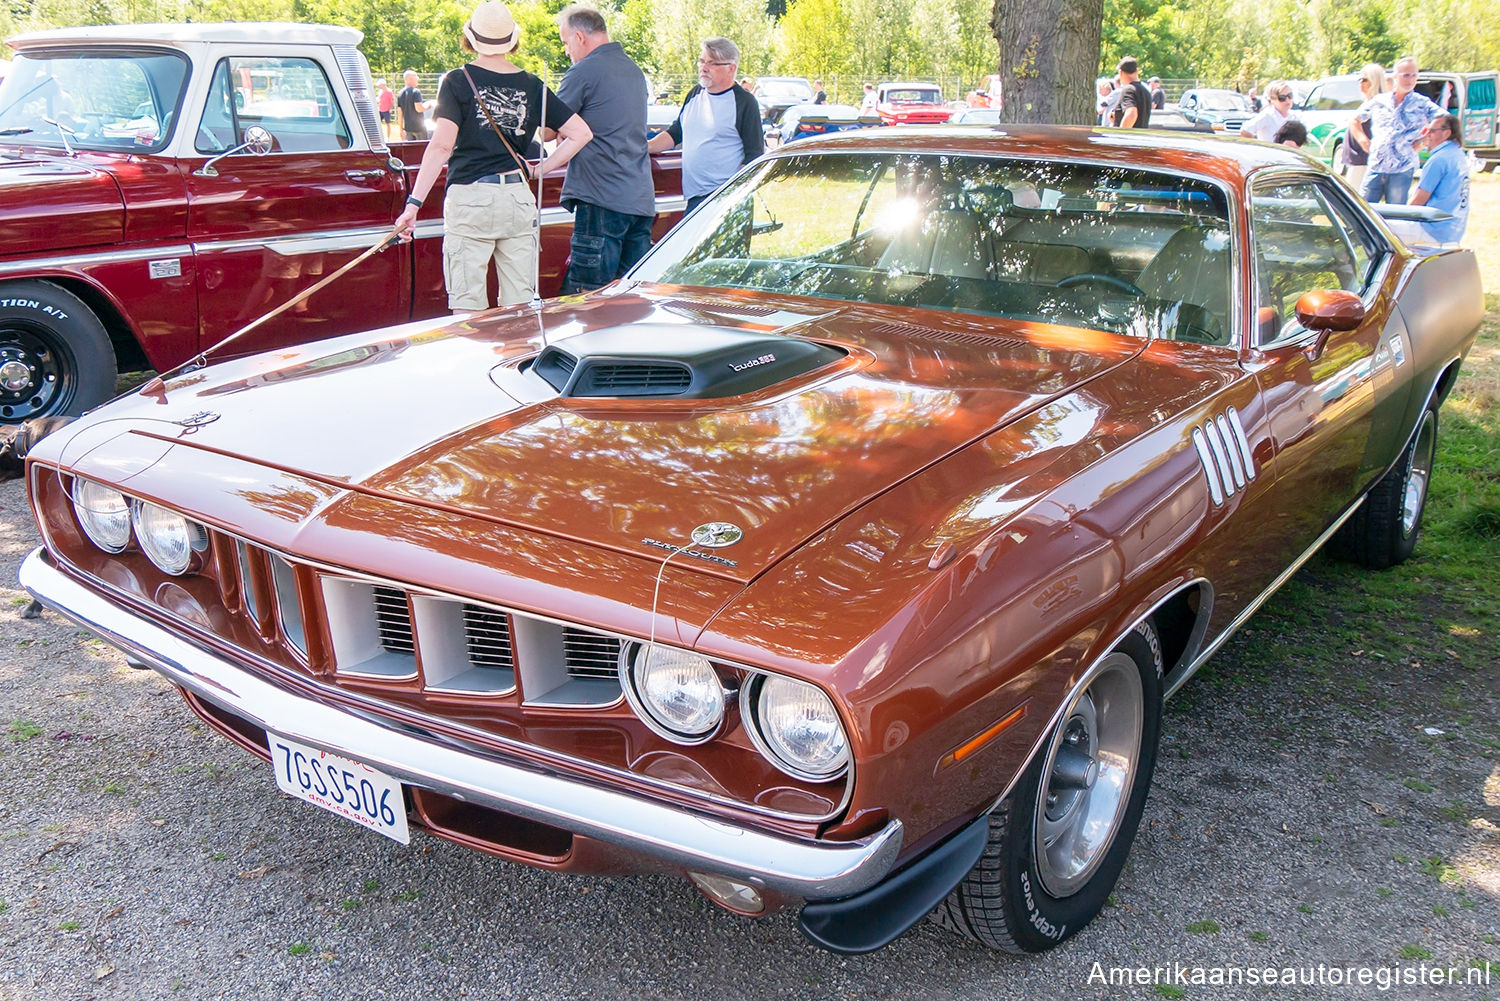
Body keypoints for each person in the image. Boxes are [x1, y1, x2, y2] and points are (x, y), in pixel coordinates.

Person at [393, 0, 593, 310]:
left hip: (470, 198)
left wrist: (413, 204)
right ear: (511, 40)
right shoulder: (531, 84)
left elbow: (442, 147)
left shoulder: (457, 81)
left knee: (467, 309)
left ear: (471, 37)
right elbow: (581, 133)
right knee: (520, 309)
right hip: (516, 196)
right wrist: (541, 168)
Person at [553, 4, 656, 294]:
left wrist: (568, 131)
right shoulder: (634, 71)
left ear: (579, 37)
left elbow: (547, 129)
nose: (566, 51)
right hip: (639, 199)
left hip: (601, 198)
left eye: (565, 42)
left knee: (589, 298)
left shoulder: (583, 71)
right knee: (630, 299)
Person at [647, 37, 764, 213]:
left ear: (731, 68)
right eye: (702, 61)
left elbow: (753, 156)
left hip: (725, 199)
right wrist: (642, 147)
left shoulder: (744, 102)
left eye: (712, 63)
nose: (704, 68)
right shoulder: (695, 93)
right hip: (694, 196)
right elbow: (675, 134)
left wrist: (735, 196)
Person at [1349, 55, 1443, 204]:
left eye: (1414, 75)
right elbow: (1355, 120)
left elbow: (1445, 121)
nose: (1410, 79)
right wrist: (1364, 141)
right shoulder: (1380, 100)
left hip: (1402, 168)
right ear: (1395, 76)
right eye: (1406, 75)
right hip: (1376, 165)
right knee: (1363, 210)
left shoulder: (1422, 103)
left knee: (1395, 213)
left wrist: (1424, 140)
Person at [1411, 114, 1469, 244]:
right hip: (1453, 230)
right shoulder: (1457, 154)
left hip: (1432, 229)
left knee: (1379, 232)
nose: (1427, 135)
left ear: (1446, 133)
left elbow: (1417, 203)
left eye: (1432, 131)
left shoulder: (1439, 159)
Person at [1342, 63, 1386, 190]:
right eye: (1359, 79)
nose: (1361, 83)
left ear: (1375, 81)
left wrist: (1366, 145)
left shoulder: (1378, 103)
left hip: (1363, 160)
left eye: (1365, 79)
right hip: (1357, 159)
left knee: (1353, 198)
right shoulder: (1368, 102)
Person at [1112, 57, 1151, 128]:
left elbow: (1131, 114)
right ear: (1137, 71)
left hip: (1129, 137)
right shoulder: (1145, 91)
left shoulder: (1128, 90)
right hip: (1141, 136)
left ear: (1120, 72)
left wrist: (1121, 134)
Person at [397, 69, 426, 140]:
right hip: (419, 128)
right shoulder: (416, 92)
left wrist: (401, 130)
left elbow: (399, 113)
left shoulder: (400, 93)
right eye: (416, 78)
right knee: (422, 149)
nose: (417, 80)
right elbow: (419, 109)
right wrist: (429, 105)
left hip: (408, 129)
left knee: (411, 149)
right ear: (410, 79)